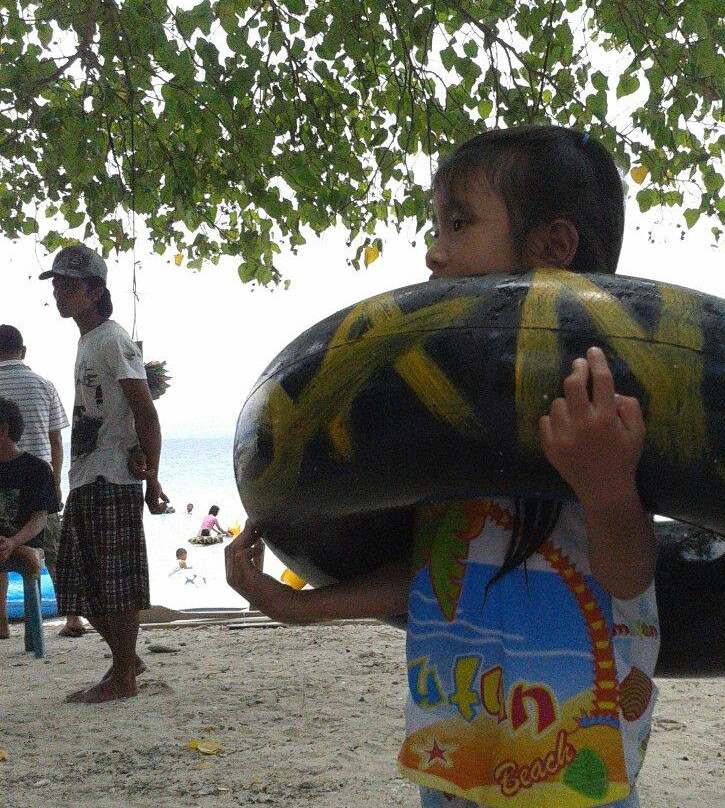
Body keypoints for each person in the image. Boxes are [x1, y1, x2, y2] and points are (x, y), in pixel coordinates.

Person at [227, 126, 659, 808]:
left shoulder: (598, 419)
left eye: (458, 224)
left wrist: (607, 490)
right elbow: (440, 574)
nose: (433, 250)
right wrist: (302, 607)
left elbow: (631, 579)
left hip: (574, 780)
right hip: (457, 768)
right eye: (437, 226)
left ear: (552, 245)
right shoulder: (452, 437)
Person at [42, 244, 168, 703]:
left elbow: (146, 412)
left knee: (114, 584)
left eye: (70, 285)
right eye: (57, 284)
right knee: (76, 579)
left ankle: (124, 675)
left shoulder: (112, 339)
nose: (60, 292)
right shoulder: (89, 340)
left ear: (96, 291)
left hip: (111, 476)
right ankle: (125, 660)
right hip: (87, 474)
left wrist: (152, 478)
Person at [0, 324, 86, 637]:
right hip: (38, 482)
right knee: (56, 551)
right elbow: (56, 441)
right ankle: (73, 618)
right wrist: (56, 482)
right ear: (23, 351)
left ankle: (2, 621)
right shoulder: (44, 385)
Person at [0, 397, 59, 639]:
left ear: (3, 430)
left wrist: (14, 542)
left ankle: (25, 551)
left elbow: (39, 519)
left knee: (15, 548)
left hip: (24, 539)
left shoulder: (37, 469)